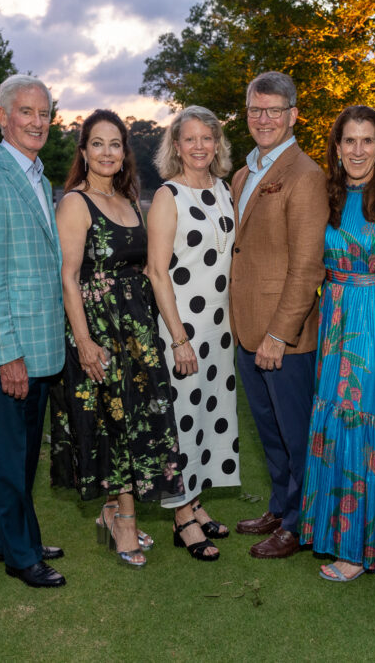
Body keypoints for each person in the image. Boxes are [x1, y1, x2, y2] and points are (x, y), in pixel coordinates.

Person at [49, 109, 184, 569]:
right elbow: (69, 278)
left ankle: (112, 510)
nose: (108, 153)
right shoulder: (74, 203)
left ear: (124, 153)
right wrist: (84, 342)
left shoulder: (131, 201)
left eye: (115, 144)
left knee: (134, 422)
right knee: (116, 424)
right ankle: (124, 519)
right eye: (98, 144)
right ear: (84, 152)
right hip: (100, 332)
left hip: (137, 331)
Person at [298, 105, 375, 582]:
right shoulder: (326, 196)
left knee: (370, 427)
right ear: (336, 146)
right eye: (349, 140)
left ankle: (364, 547)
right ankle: (346, 538)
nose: (358, 150)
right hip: (335, 319)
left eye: (367, 140)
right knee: (336, 421)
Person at [0, 74, 66, 588]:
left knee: (21, 454)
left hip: (40, 344)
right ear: (2, 116)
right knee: (9, 455)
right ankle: (22, 557)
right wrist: (7, 355)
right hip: (12, 349)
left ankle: (6, 539)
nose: (37, 122)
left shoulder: (38, 178)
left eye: (44, 113)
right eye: (26, 112)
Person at [230, 71, 329, 559]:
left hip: (283, 338)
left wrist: (279, 334)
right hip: (245, 330)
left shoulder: (306, 175)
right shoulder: (243, 174)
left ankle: (299, 523)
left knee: (296, 433)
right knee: (269, 431)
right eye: (255, 109)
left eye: (273, 110)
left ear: (293, 116)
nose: (263, 119)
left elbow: (308, 265)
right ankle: (278, 505)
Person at [146, 106, 240, 562]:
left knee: (206, 415)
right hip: (182, 332)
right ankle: (181, 516)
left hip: (219, 332)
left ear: (217, 144)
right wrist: (179, 337)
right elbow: (156, 271)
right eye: (190, 139)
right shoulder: (168, 196)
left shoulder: (223, 190)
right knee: (182, 420)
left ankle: (196, 501)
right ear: (176, 146)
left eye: (208, 138)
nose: (200, 146)